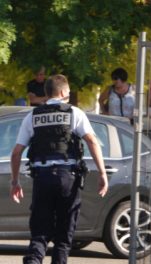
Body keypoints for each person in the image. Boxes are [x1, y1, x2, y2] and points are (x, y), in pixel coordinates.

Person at [10, 74, 108, 264]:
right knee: (63, 236)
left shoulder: (32, 116)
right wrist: (102, 173)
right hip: (67, 179)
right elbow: (92, 140)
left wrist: (15, 182)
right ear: (63, 92)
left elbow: (16, 153)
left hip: (42, 178)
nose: (70, 95)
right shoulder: (75, 113)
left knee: (39, 233)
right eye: (69, 92)